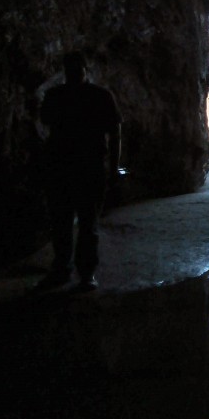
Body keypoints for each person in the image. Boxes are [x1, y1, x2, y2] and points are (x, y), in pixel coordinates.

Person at [36, 51, 122, 292]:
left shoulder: (57, 96)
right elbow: (115, 134)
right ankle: (78, 273)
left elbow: (115, 134)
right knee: (77, 223)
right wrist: (113, 168)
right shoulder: (99, 96)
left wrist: (114, 168)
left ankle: (75, 271)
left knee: (77, 223)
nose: (74, 72)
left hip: (73, 167)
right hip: (79, 167)